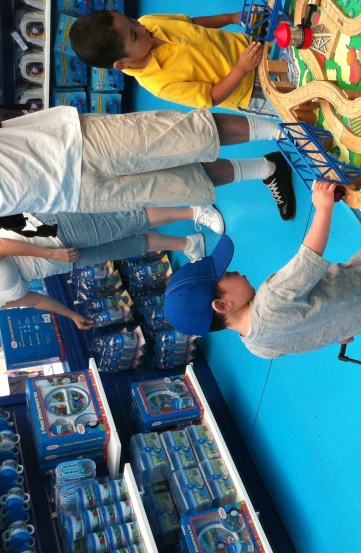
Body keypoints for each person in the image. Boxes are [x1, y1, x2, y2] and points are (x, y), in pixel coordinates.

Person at [163, 181, 361, 359]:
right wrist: (323, 207)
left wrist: (339, 333)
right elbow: (310, 255)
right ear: (221, 304)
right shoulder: (272, 296)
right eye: (226, 275)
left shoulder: (258, 347)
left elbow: (307, 336)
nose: (234, 272)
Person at [0, 105, 295, 220]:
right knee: (183, 184)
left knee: (185, 137)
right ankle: (267, 168)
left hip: (66, 144)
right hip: (71, 196)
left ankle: (282, 132)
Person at [0, 208, 213, 329]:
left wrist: (51, 253)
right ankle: (188, 244)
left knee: (121, 224)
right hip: (61, 262)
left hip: (45, 236)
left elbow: (2, 245)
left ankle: (193, 211)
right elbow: (35, 300)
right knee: (126, 247)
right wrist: (71, 315)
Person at [70, 10, 277, 119]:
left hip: (248, 47)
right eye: (134, 35)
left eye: (131, 20)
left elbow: (192, 23)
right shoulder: (159, 84)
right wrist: (241, 68)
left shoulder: (149, 22)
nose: (141, 27)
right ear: (123, 63)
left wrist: (231, 17)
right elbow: (211, 97)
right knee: (300, 104)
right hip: (251, 92)